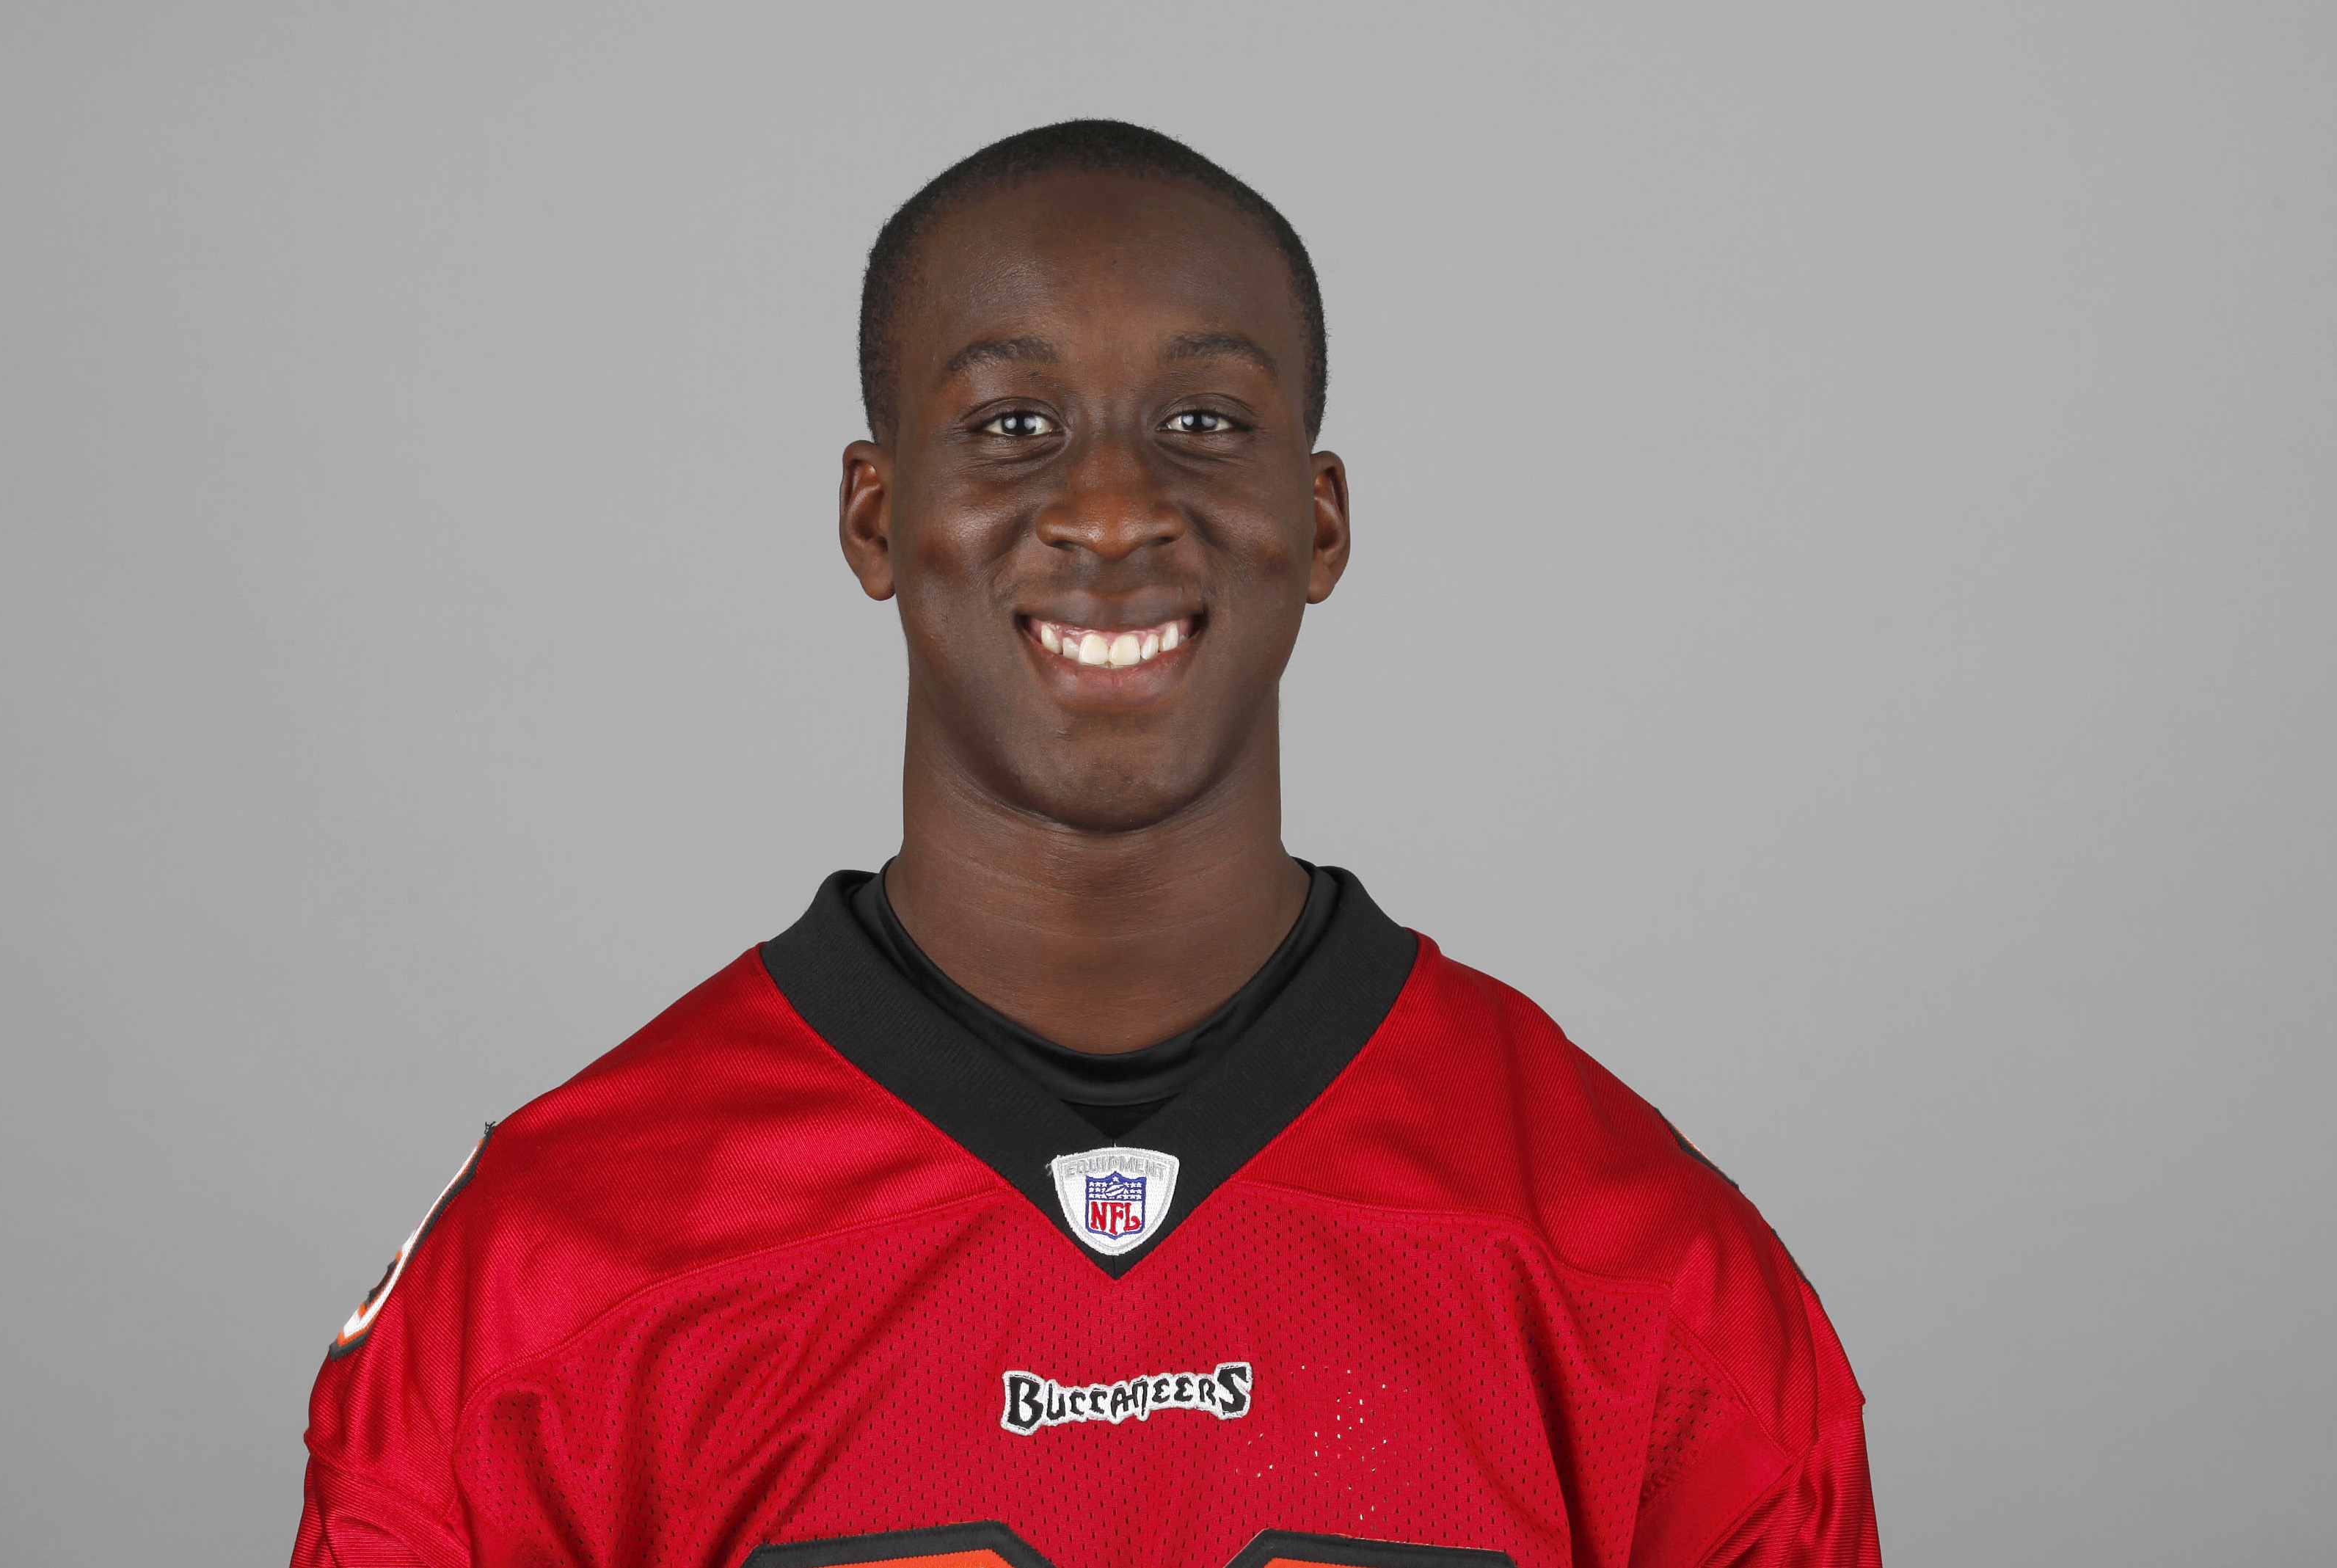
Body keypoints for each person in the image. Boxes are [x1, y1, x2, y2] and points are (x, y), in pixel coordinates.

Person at [291, 120, 1879, 1568]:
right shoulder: (555, 1279)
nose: (1112, 510)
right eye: (1012, 423)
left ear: (1318, 521)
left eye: (1202, 420)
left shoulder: (1635, 1275)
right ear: (873, 516)